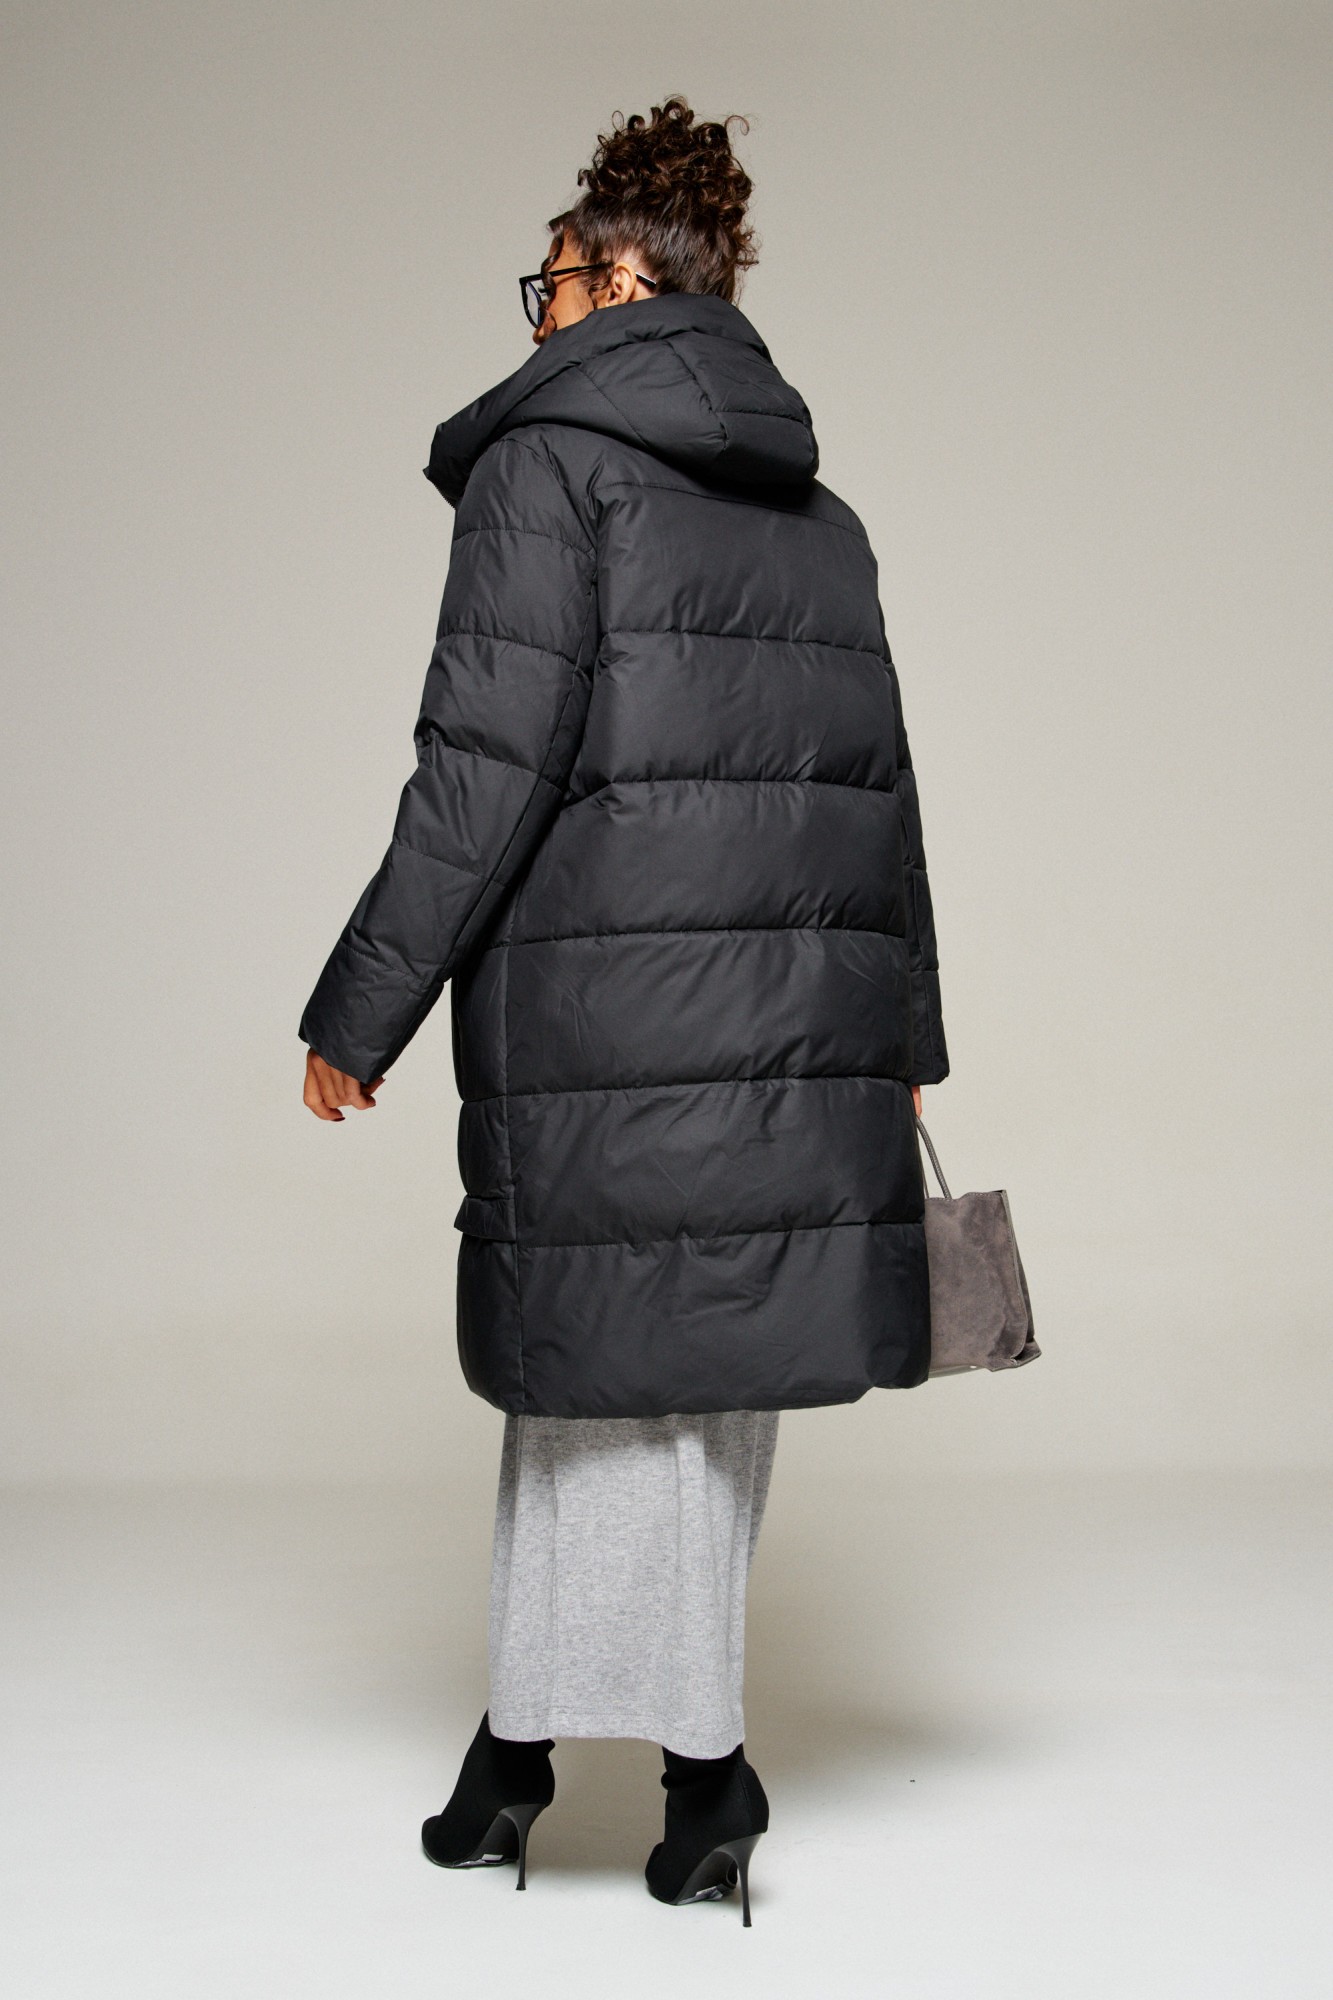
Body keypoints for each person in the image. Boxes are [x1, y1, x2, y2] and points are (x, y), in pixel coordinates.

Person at [299, 95, 948, 1925]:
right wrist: (902, 1040)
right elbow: (881, 796)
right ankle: (679, 1780)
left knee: (589, 1382)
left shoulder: (547, 471)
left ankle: (544, 1765)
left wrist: (361, 1007)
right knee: (702, 1387)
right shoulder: (820, 516)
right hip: (794, 1033)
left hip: (603, 1031)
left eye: (551, 284)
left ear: (615, 286)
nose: (536, 316)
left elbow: (480, 770)